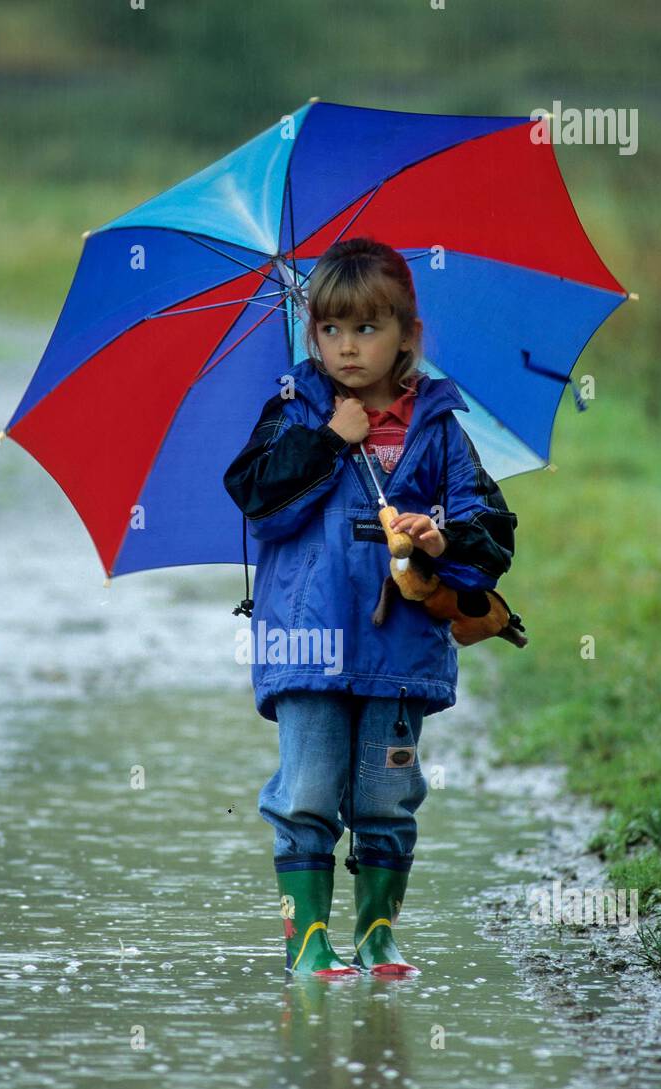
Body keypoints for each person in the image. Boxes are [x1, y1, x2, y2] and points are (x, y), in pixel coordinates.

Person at [223, 237, 518, 978]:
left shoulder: (440, 429)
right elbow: (256, 499)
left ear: (407, 337)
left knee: (387, 794)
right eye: (329, 329)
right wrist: (327, 440)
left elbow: (492, 535)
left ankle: (378, 931)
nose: (346, 348)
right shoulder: (294, 411)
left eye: (366, 329)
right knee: (310, 787)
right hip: (308, 640)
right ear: (309, 333)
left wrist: (438, 534)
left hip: (399, 648)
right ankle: (308, 940)